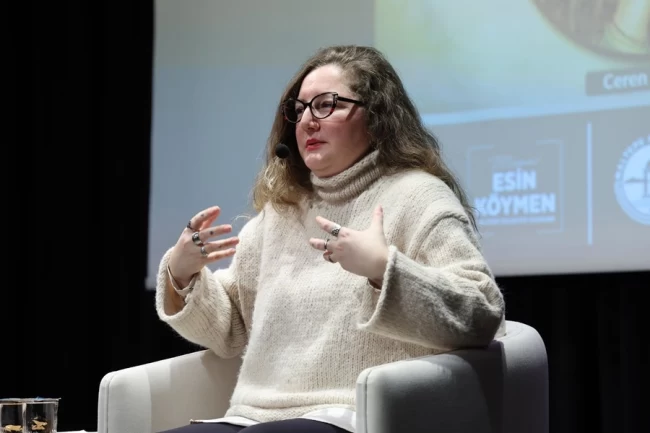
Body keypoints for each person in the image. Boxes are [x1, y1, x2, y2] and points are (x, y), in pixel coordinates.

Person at [156, 45, 506, 433]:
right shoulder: (281, 212)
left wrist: (383, 270)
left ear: (376, 116)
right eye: (299, 109)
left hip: (352, 415)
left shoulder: (419, 197)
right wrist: (181, 275)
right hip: (253, 416)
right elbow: (231, 329)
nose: (307, 121)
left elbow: (482, 312)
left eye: (326, 105)